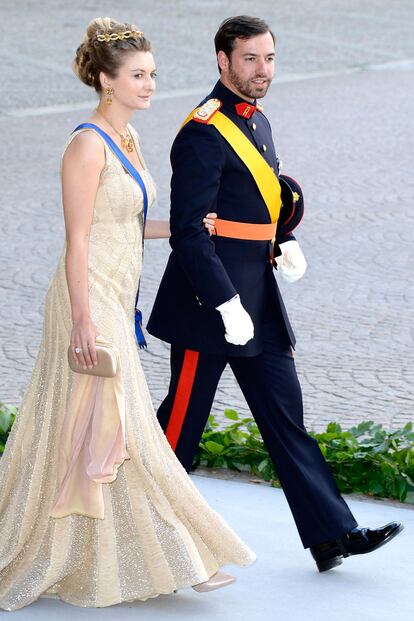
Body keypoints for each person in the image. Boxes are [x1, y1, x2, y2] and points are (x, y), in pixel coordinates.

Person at [0, 17, 256, 611]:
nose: (150, 85)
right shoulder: (86, 144)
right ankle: (190, 554)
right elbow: (79, 238)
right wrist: (85, 321)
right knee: (129, 425)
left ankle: (87, 546)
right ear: (108, 82)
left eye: (153, 74)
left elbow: (128, 223)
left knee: (80, 428)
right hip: (86, 298)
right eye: (138, 76)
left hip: (118, 296)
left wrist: (183, 229)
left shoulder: (131, 139)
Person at [147, 15, 403, 572]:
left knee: (287, 420)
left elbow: (257, 202)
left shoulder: (256, 121)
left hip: (256, 299)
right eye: (250, 59)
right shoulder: (201, 130)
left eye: (269, 59)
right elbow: (189, 229)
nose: (262, 70)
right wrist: (223, 302)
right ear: (222, 61)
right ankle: (137, 536)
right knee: (179, 430)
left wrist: (281, 240)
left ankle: (333, 534)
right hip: (207, 308)